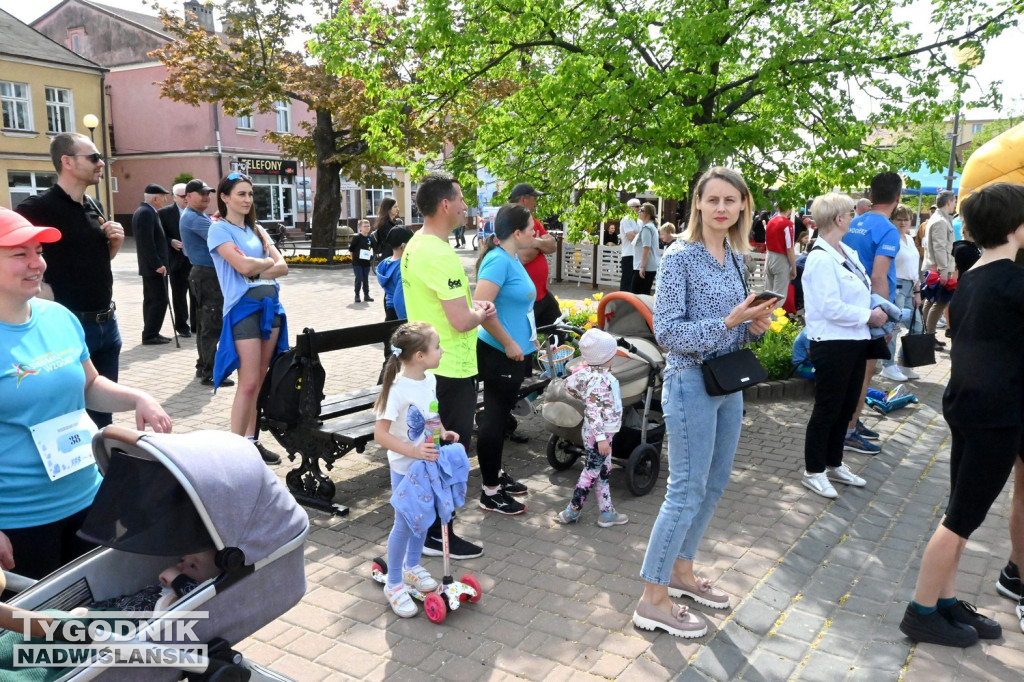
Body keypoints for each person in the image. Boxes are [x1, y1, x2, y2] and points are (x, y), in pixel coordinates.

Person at [632, 167, 774, 638]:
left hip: (726, 380)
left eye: (730, 201)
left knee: (713, 484)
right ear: (697, 203)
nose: (721, 209)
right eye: (713, 200)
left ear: (742, 206)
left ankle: (682, 571)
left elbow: (735, 323)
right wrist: (729, 321)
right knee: (686, 489)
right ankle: (652, 597)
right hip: (690, 381)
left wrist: (752, 325)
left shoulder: (735, 257)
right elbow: (668, 333)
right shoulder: (678, 257)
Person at [0, 207, 172, 581]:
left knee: (95, 617)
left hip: (88, 498)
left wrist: (136, 398)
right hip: (19, 521)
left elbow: (90, 384)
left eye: (39, 252)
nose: (37, 264)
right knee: (42, 633)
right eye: (20, 254)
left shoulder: (58, 317)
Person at [899, 182, 1024, 647]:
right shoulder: (1015, 284)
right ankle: (921, 611)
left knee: (960, 508)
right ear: (1016, 228)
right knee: (959, 521)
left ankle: (946, 601)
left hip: (966, 406)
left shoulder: (972, 275)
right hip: (994, 415)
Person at [401, 171, 495, 559]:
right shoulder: (439, 253)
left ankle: (431, 531)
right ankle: (439, 535)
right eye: (459, 200)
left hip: (431, 366)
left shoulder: (415, 244)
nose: (464, 207)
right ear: (444, 205)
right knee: (446, 455)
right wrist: (481, 310)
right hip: (449, 368)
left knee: (432, 452)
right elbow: (459, 320)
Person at [15, 132, 125, 428]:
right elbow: (12, 260)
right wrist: (39, 289)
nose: (101, 163)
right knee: (70, 416)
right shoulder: (36, 209)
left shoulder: (92, 205)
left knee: (103, 416)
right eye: (93, 157)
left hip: (106, 325)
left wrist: (112, 247)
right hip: (68, 326)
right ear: (67, 162)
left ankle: (105, 470)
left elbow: (88, 261)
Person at [799, 193, 889, 499]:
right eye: (850, 214)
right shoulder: (821, 258)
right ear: (839, 219)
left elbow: (859, 292)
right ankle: (814, 470)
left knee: (847, 406)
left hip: (855, 340)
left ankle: (834, 463)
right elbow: (829, 307)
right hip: (833, 344)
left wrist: (877, 313)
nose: (854, 218)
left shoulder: (845, 250)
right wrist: (870, 315)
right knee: (828, 408)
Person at [208, 173, 288, 465]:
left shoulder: (258, 230)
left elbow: (284, 267)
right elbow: (241, 266)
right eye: (241, 194)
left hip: (272, 309)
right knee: (249, 382)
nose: (247, 200)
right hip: (243, 310)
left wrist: (257, 267)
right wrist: (263, 263)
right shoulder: (219, 230)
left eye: (250, 194)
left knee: (261, 380)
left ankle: (251, 442)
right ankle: (234, 450)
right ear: (225, 197)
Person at [372, 323, 452, 617]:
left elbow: (430, 413)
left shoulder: (428, 379)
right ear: (419, 355)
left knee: (424, 517)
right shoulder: (396, 389)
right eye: (438, 346)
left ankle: (412, 565)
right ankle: (393, 582)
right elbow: (381, 436)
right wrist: (414, 451)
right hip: (406, 468)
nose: (442, 351)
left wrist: (442, 431)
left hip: (427, 464)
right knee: (405, 523)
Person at [474, 203, 538, 516]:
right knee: (494, 419)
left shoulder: (511, 257)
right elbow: (480, 308)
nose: (535, 233)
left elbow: (517, 305)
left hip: (514, 351)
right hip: (500, 353)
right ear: (516, 232)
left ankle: (496, 475)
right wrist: (510, 341)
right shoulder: (497, 261)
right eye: (531, 228)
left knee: (500, 420)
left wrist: (529, 336)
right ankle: (489, 492)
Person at [840, 171, 904, 457]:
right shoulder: (887, 229)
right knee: (864, 374)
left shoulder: (856, 222)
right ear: (898, 197)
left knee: (854, 372)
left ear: (871, 193)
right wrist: (886, 317)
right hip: (870, 310)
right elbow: (880, 276)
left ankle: (852, 418)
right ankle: (849, 430)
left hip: (850, 305)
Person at [555, 328, 628, 527]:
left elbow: (570, 386)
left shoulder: (590, 373)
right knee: (590, 472)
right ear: (606, 357)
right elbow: (595, 411)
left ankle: (606, 511)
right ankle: (571, 511)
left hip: (600, 435)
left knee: (603, 471)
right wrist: (601, 438)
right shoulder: (599, 381)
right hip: (599, 436)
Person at [179, 179, 232, 387]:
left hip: (203, 273)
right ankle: (210, 372)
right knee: (212, 324)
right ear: (188, 197)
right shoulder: (194, 218)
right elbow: (220, 237)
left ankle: (203, 366)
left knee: (204, 323)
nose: (206, 197)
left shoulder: (198, 216)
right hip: (207, 274)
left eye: (208, 193)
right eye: (201, 193)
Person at [880, 205, 923, 382]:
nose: (904, 222)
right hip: (896, 285)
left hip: (911, 287)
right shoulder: (891, 239)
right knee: (893, 327)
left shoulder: (909, 239)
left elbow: (914, 267)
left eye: (906, 219)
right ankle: (887, 366)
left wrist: (917, 290)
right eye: (900, 219)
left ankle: (904, 362)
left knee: (917, 326)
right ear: (892, 220)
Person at [509, 183, 559, 328]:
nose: (535, 203)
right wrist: (540, 246)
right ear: (524, 199)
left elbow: (552, 245)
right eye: (534, 198)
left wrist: (534, 242)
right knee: (526, 340)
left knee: (559, 329)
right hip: (525, 298)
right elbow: (521, 258)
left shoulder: (531, 220)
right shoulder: (511, 221)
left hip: (542, 294)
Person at [133, 184, 173, 345]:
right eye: (163, 196)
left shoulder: (146, 211)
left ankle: (151, 332)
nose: (165, 199)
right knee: (159, 300)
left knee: (151, 300)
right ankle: (150, 334)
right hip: (154, 268)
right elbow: (146, 243)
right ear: (155, 198)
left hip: (152, 266)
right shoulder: (146, 213)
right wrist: (157, 264)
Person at [158, 182, 193, 337]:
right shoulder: (164, 213)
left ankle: (196, 325)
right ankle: (182, 325)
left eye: (188, 195)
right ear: (174, 197)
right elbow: (159, 235)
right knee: (179, 295)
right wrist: (170, 241)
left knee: (196, 294)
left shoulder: (196, 212)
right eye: (182, 196)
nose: (186, 198)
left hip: (194, 261)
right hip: (176, 261)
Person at [922, 190, 957, 340]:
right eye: (954, 201)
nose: (955, 204)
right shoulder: (940, 221)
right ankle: (928, 336)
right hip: (939, 269)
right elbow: (940, 247)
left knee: (932, 302)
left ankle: (927, 335)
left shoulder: (939, 219)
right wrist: (943, 270)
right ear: (949, 202)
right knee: (939, 303)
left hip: (936, 268)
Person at [377, 226, 414, 322]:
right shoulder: (402, 268)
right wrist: (404, 322)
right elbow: (399, 299)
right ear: (404, 246)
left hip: (389, 308)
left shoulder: (386, 262)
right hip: (399, 313)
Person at [764, 204, 796, 308]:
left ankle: (766, 320)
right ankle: (774, 322)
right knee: (778, 297)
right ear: (789, 209)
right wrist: (794, 268)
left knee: (768, 295)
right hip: (781, 259)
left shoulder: (770, 221)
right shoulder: (788, 224)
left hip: (769, 256)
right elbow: (790, 248)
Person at [630, 203, 661, 296]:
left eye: (642, 210)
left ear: (648, 214)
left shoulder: (647, 228)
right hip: (648, 267)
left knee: (637, 296)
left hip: (644, 267)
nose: (639, 211)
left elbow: (646, 247)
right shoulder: (651, 227)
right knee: (643, 295)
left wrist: (642, 267)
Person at [370, 197, 402, 267]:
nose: (398, 209)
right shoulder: (386, 225)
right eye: (395, 207)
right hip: (390, 259)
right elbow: (394, 241)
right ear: (388, 209)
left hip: (391, 258)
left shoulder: (391, 223)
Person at [619, 199, 642, 291]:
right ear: (629, 208)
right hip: (629, 254)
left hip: (637, 255)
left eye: (640, 206)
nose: (639, 208)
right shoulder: (626, 219)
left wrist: (638, 234)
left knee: (635, 283)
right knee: (627, 281)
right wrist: (640, 234)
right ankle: (623, 301)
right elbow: (631, 237)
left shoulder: (639, 221)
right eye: (637, 206)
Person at [349, 219, 374, 303]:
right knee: (358, 278)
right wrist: (353, 259)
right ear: (360, 227)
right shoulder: (356, 238)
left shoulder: (370, 238)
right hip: (357, 263)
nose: (367, 228)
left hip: (366, 262)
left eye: (368, 226)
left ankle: (366, 295)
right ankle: (357, 295)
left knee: (366, 279)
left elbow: (371, 248)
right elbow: (351, 249)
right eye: (365, 226)